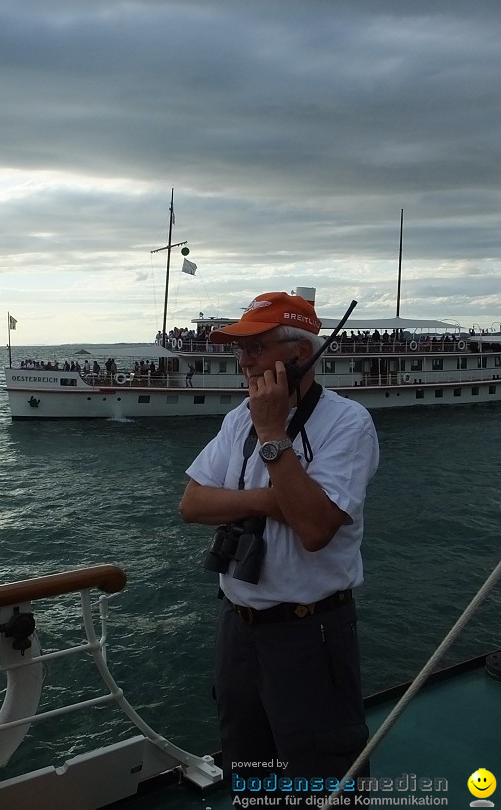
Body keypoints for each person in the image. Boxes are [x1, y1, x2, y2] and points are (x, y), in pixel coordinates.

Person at [179, 291, 379, 804]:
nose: (242, 360)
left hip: (310, 632)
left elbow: (314, 529)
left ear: (297, 354)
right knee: (250, 771)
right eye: (238, 349)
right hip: (239, 630)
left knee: (323, 776)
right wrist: (274, 499)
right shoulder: (237, 418)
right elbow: (193, 504)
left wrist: (272, 434)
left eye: (255, 347)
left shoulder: (348, 423)